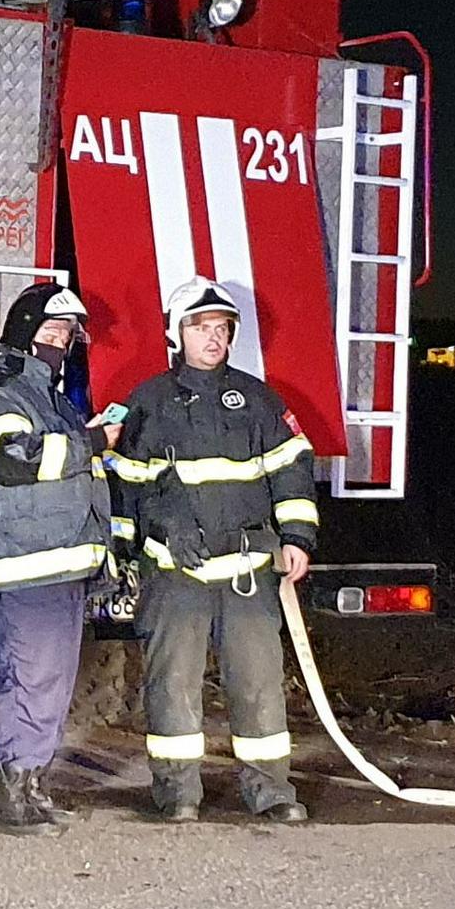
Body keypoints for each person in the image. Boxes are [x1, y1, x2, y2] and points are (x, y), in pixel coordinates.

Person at [110, 277, 319, 823]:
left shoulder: (258, 400)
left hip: (248, 571)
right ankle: (178, 793)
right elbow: (126, 484)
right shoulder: (147, 403)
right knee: (173, 685)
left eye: (222, 328)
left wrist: (297, 539)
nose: (213, 337)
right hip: (174, 573)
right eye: (200, 327)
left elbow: (291, 471)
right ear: (176, 334)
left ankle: (271, 791)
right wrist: (142, 540)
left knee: (259, 687)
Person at [0, 282, 119, 836]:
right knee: (26, 681)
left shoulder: (54, 401)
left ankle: (32, 787)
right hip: (23, 565)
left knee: (50, 684)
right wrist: (93, 443)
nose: (59, 342)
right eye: (50, 331)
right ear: (22, 335)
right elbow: (13, 460)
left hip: (62, 566)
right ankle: (10, 800)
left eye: (66, 335)